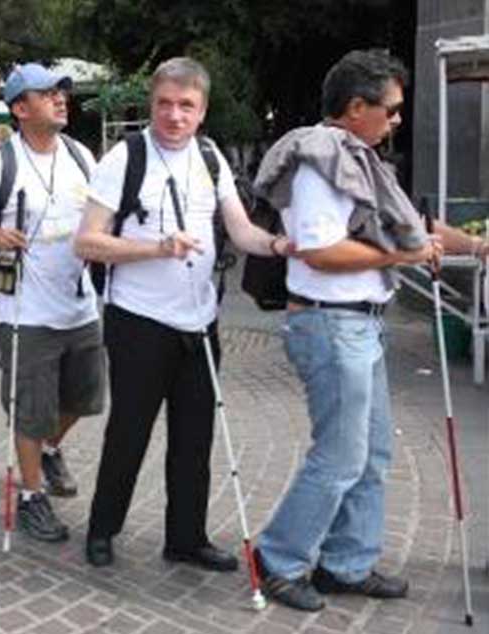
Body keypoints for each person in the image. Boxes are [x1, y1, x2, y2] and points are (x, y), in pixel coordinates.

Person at [250, 49, 488, 612]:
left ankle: (346, 562)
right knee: (340, 456)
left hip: (359, 325)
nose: (398, 120)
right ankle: (278, 559)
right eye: (393, 109)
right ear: (356, 107)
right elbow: (320, 248)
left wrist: (475, 245)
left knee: (372, 452)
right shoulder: (321, 158)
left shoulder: (361, 161)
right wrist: (401, 260)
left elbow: (411, 226)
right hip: (331, 324)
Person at [75, 57, 293, 570]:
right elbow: (85, 241)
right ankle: (103, 529)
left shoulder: (211, 156)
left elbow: (240, 232)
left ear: (202, 110)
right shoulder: (123, 158)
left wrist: (283, 244)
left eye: (186, 106)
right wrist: (154, 248)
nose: (174, 116)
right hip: (138, 322)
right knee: (129, 431)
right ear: (151, 104)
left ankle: (186, 539)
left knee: (195, 437)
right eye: (165, 104)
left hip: (200, 322)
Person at [0, 63, 104, 542]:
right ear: (21, 108)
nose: (61, 99)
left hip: (80, 304)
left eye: (61, 92)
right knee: (29, 409)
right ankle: (31, 497)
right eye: (47, 94)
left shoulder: (82, 155)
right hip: (26, 311)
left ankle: (46, 450)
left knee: (85, 397)